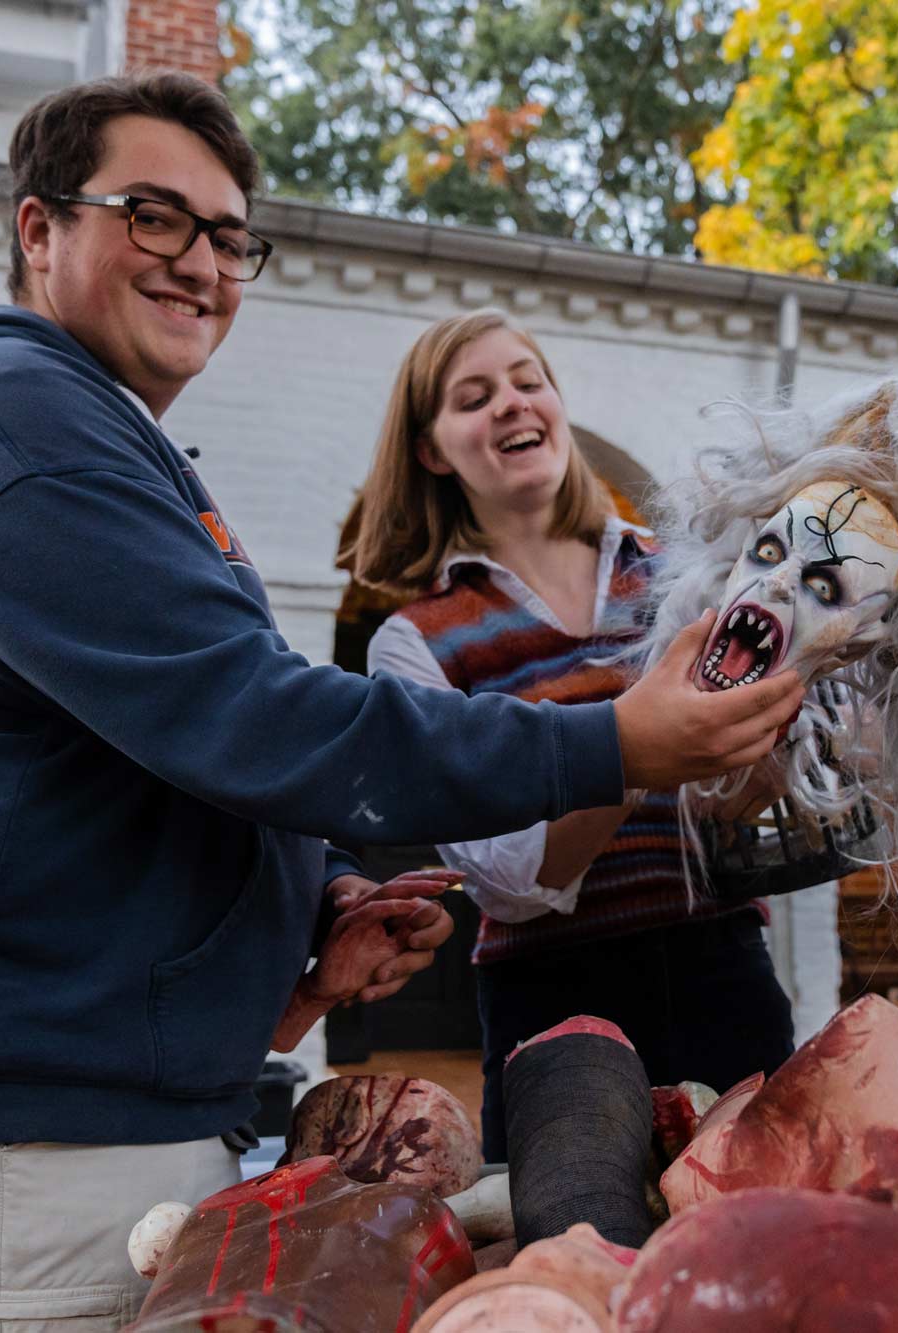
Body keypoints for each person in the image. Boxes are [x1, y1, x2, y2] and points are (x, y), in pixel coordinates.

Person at [0, 73, 801, 1330]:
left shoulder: (99, 442)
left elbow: (157, 744)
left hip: (85, 1112)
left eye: (228, 236)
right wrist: (621, 740)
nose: (200, 262)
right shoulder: (5, 410)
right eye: (152, 215)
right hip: (13, 1129)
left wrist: (313, 902)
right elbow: (246, 717)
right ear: (38, 230)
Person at [342, 309, 798, 1159]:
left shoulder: (684, 574)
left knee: (766, 1251)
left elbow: (733, 796)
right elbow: (512, 881)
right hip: (552, 1001)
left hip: (721, 969)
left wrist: (762, 756)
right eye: (474, 397)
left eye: (529, 381)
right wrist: (637, 746)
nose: (513, 404)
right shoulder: (415, 642)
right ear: (434, 450)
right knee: (575, 1261)